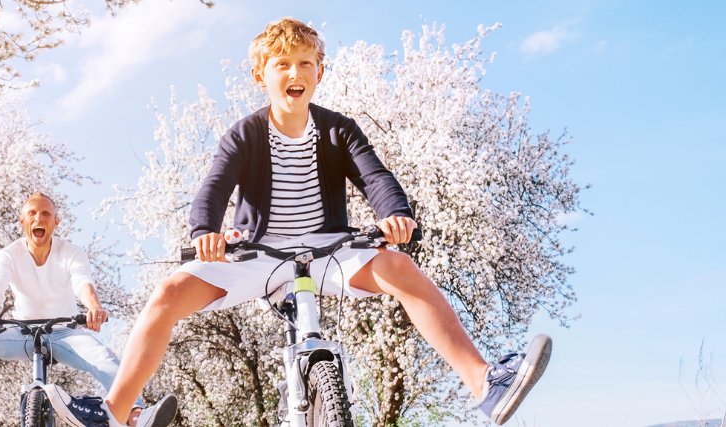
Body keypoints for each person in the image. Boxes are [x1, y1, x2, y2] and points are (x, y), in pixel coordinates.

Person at [49, 17, 551, 427]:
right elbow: (213, 189)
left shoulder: (339, 131)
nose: (295, 71)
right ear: (261, 76)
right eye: (282, 64)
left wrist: (394, 214)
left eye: (305, 63)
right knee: (166, 296)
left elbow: (375, 176)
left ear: (319, 74)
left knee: (400, 267)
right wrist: (205, 232)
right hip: (257, 255)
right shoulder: (245, 133)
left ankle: (484, 383)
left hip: (331, 251)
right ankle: (114, 413)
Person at [0, 192, 177, 427]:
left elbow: (83, 282)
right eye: (31, 214)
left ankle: (136, 414)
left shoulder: (70, 252)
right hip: (19, 333)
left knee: (103, 358)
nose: (38, 219)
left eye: (45, 214)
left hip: (64, 334)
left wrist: (94, 307)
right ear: (22, 222)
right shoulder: (9, 254)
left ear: (56, 221)